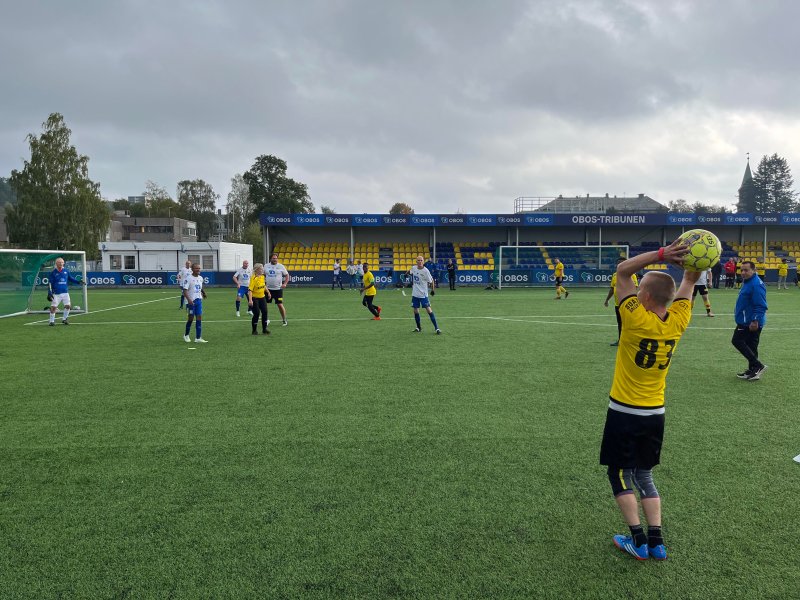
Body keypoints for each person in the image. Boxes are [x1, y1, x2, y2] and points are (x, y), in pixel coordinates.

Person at [600, 238, 700, 561]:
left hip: (624, 411)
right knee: (644, 474)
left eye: (639, 288)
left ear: (642, 296)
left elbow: (621, 271)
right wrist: (693, 267)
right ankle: (657, 542)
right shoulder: (678, 321)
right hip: (655, 412)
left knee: (618, 473)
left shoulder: (633, 317)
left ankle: (639, 541)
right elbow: (688, 283)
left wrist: (662, 255)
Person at [732, 261, 768, 381]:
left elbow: (761, 305)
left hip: (750, 321)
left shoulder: (756, 284)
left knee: (737, 340)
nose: (743, 273)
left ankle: (757, 365)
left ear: (754, 270)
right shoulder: (748, 282)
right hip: (746, 319)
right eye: (741, 270)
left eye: (746, 270)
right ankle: (753, 370)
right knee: (751, 345)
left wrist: (755, 321)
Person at [603, 257, 638, 346]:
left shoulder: (631, 275)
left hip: (627, 304)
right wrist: (607, 299)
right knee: (620, 323)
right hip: (617, 303)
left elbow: (635, 288)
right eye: (618, 264)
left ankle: (631, 340)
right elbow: (612, 288)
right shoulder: (615, 275)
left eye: (622, 263)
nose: (620, 265)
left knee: (629, 323)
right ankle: (621, 340)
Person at [47, 257, 86, 326]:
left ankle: (64, 319)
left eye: (62, 262)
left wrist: (78, 282)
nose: (61, 264)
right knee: (54, 307)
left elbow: (71, 278)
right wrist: (49, 293)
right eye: (59, 262)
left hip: (65, 292)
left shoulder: (66, 271)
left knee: (68, 306)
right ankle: (51, 321)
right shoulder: (53, 273)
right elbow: (50, 283)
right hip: (56, 293)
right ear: (56, 264)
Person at [408, 256, 441, 334]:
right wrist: (406, 274)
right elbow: (410, 270)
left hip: (423, 295)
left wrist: (433, 290)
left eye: (421, 260)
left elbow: (431, 280)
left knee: (429, 310)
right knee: (415, 311)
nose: (419, 262)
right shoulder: (414, 268)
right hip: (415, 294)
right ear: (416, 261)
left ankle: (437, 328)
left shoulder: (426, 271)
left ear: (423, 262)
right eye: (418, 260)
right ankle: (418, 327)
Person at [182, 263, 208, 343]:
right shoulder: (188, 278)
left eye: (199, 268)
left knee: (199, 318)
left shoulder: (200, 278)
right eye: (196, 268)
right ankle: (186, 335)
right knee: (191, 318)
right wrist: (189, 300)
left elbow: (200, 286)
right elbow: (184, 290)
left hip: (198, 300)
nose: (198, 270)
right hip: (191, 302)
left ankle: (198, 338)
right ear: (192, 269)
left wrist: (203, 292)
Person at [265, 253, 290, 326]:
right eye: (273, 258)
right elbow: (262, 275)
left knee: (279, 304)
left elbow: (287, 275)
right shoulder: (266, 266)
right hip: (268, 289)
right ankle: (266, 319)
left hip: (278, 289)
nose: (275, 259)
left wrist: (285, 283)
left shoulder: (281, 266)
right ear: (271, 259)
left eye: (276, 258)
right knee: (265, 305)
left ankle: (284, 320)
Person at [247, 263, 271, 335]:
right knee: (257, 313)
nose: (262, 269)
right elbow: (250, 290)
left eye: (262, 268)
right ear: (257, 270)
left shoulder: (262, 277)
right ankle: (254, 330)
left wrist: (268, 292)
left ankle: (264, 329)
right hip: (255, 298)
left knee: (265, 312)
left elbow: (264, 286)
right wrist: (250, 300)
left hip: (262, 297)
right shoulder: (253, 278)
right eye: (261, 268)